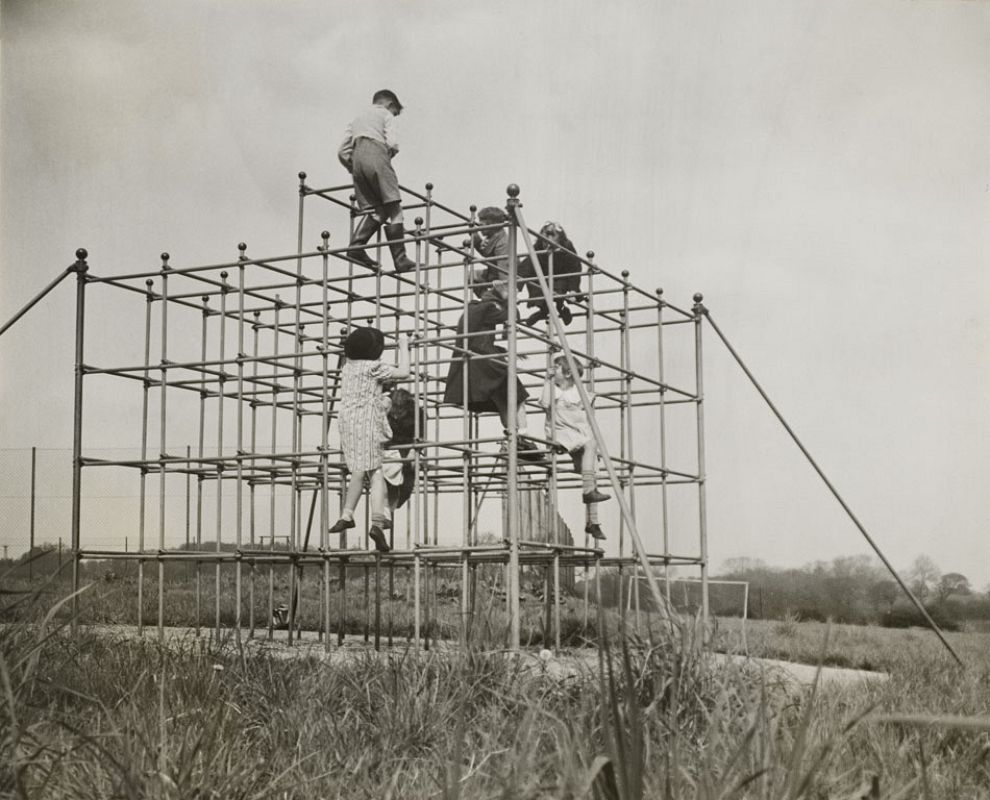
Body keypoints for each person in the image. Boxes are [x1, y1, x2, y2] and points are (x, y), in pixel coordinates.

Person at [329, 327, 410, 553]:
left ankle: (347, 513)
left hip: (347, 423)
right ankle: (377, 524)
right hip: (367, 423)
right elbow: (404, 372)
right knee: (376, 474)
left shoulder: (347, 367)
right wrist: (403, 345)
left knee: (357, 469)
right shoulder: (373, 367)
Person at [442, 279, 541, 461]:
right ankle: (522, 437)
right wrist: (507, 297)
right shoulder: (488, 307)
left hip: (477, 362)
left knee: (503, 398)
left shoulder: (476, 309)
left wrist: (503, 352)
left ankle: (514, 437)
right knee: (517, 395)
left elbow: (480, 340)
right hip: (483, 362)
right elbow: (513, 316)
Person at [337, 89, 415, 274]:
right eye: (395, 112)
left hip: (357, 162)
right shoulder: (386, 115)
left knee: (377, 210)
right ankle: (400, 259)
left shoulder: (357, 118)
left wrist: (354, 167)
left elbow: (342, 151)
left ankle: (356, 246)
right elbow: (393, 143)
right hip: (377, 154)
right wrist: (384, 159)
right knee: (395, 209)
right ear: (390, 105)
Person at [540, 354, 609, 540]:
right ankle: (588, 491)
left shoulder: (580, 393)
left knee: (592, 470)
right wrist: (547, 379)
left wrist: (594, 450)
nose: (553, 370)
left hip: (579, 435)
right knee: (590, 450)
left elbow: (586, 420)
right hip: (561, 433)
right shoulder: (554, 390)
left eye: (557, 368)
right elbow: (545, 404)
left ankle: (592, 522)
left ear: (568, 373)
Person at [518, 221, 583, 327]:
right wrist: (516, 288)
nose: (547, 239)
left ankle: (560, 307)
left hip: (560, 278)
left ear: (560, 238)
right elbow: (526, 266)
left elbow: (574, 269)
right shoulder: (537, 248)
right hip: (543, 279)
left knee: (558, 287)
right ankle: (543, 311)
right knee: (535, 283)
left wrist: (573, 290)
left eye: (551, 235)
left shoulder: (566, 248)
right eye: (544, 235)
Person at [380, 385, 424, 529]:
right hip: (389, 450)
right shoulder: (385, 409)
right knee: (385, 483)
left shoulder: (416, 412)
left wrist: (414, 451)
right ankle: (385, 514)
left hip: (407, 449)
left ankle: (388, 511)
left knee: (406, 486)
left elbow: (420, 435)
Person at [470, 206, 517, 288]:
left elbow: (504, 272)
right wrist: (475, 237)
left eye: (482, 224)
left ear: (492, 225)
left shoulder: (503, 244)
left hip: (501, 275)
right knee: (471, 276)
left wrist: (503, 290)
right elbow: (486, 252)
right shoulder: (493, 236)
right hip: (493, 273)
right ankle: (486, 296)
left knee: (495, 292)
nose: (480, 226)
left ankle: (492, 298)